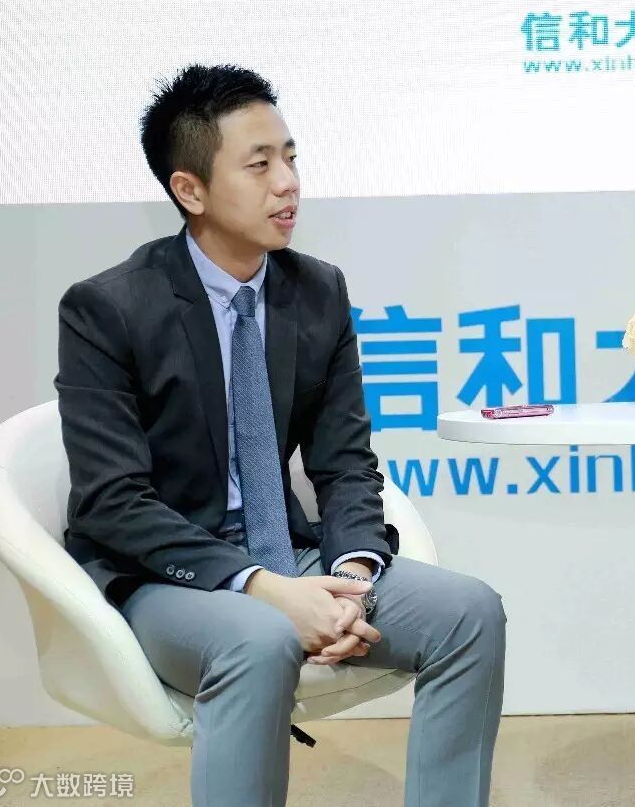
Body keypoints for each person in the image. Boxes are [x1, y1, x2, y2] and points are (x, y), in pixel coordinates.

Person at [55, 64, 505, 807]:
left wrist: (352, 579)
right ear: (190, 190)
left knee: (470, 612)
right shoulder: (108, 309)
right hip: (167, 574)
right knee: (260, 637)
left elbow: (346, 462)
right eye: (259, 164)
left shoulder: (316, 290)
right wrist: (265, 591)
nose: (288, 183)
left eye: (291, 157)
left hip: (291, 552)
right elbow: (112, 502)